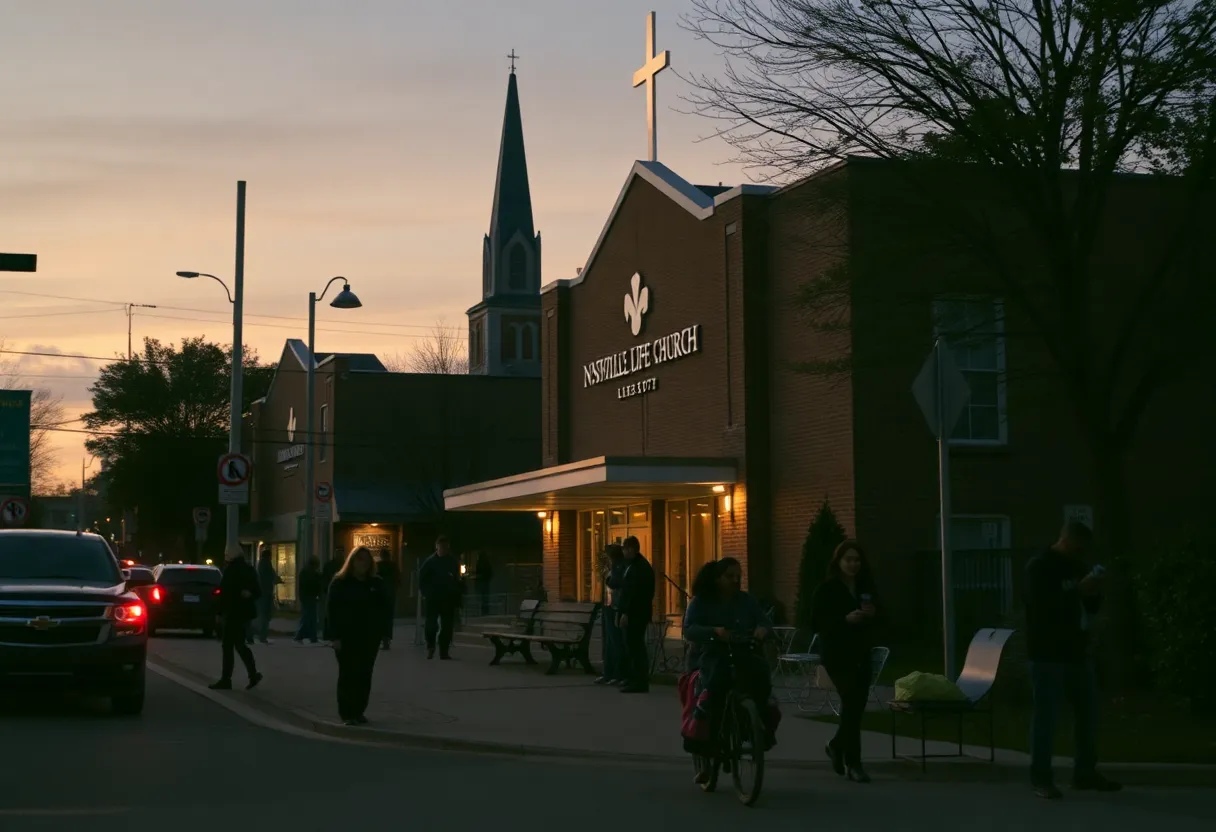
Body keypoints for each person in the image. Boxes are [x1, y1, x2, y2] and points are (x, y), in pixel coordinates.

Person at [1025, 520, 1121, 799]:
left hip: (1076, 652)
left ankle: (1085, 772)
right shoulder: (1039, 566)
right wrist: (1077, 591)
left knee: (1087, 714)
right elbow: (1041, 605)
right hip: (1047, 654)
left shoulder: (1076, 566)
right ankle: (1041, 777)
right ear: (1066, 541)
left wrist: (1094, 591)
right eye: (1079, 548)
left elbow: (1087, 606)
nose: (1082, 555)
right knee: (1047, 717)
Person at [682, 557, 774, 780]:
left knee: (761, 677)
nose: (735, 581)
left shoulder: (746, 601)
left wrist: (762, 629)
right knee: (714, 688)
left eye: (738, 577)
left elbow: (763, 620)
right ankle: (706, 751)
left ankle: (756, 726)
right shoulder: (702, 601)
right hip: (712, 655)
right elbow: (689, 629)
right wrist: (714, 631)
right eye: (729, 577)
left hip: (743, 653)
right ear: (717, 578)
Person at [812, 539, 878, 783]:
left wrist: (872, 614)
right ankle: (855, 763)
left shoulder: (865, 588)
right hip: (837, 654)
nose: (853, 564)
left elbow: (884, 617)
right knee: (850, 699)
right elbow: (817, 622)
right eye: (848, 560)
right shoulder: (827, 589)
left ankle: (837, 745)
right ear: (838, 562)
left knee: (856, 708)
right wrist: (844, 620)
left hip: (861, 652)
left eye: (857, 560)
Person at [327, 546, 390, 726]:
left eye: (366, 560)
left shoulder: (375, 584)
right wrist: (335, 637)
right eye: (359, 559)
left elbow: (384, 609)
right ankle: (347, 712)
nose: (363, 564)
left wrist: (384, 633)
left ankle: (359, 710)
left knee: (364, 674)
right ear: (352, 561)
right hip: (346, 638)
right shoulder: (340, 583)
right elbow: (331, 611)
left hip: (369, 637)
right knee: (348, 674)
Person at [210, 546, 263, 691]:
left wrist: (219, 613)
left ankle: (227, 679)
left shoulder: (230, 571)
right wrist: (249, 594)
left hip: (233, 613)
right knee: (239, 644)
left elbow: (224, 594)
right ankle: (252, 674)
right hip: (245, 613)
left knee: (228, 646)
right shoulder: (249, 570)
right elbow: (258, 591)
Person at [616, 535, 655, 693]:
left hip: (637, 614)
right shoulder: (633, 565)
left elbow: (635, 593)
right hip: (635, 612)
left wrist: (626, 613)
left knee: (635, 646)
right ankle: (634, 678)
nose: (624, 553)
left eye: (625, 549)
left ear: (631, 549)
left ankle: (639, 680)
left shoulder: (640, 568)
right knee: (632, 646)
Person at [419, 534, 462, 660]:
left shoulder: (452, 562)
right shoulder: (430, 562)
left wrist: (457, 595)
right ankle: (431, 646)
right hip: (433, 598)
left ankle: (444, 650)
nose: (443, 549)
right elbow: (422, 579)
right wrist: (426, 593)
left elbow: (457, 580)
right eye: (441, 547)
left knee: (447, 625)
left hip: (448, 598)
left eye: (445, 547)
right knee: (431, 624)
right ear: (437, 547)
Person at [595, 544, 626, 685]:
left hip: (615, 607)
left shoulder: (618, 567)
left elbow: (614, 584)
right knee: (608, 642)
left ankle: (617, 673)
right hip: (608, 606)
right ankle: (608, 672)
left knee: (615, 642)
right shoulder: (613, 568)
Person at [253, 547, 281, 644]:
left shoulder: (261, 564)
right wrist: (277, 579)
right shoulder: (265, 564)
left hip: (263, 593)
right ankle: (262, 635)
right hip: (265, 593)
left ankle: (261, 635)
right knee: (265, 615)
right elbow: (271, 576)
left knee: (263, 615)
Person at [376, 548, 400, 650]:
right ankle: (387, 641)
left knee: (379, 619)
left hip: (379, 596)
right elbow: (398, 580)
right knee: (388, 619)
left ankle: (381, 640)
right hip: (390, 595)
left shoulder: (378, 566)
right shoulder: (394, 566)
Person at [295, 557, 322, 645]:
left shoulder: (305, 572)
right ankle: (303, 636)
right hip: (309, 598)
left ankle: (311, 636)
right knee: (309, 617)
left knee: (310, 617)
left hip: (308, 597)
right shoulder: (310, 573)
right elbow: (313, 585)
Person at [319, 554, 342, 642]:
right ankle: (330, 635)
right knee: (332, 614)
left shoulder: (329, 565)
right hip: (333, 592)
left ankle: (329, 635)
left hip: (331, 592)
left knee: (330, 614)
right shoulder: (341, 565)